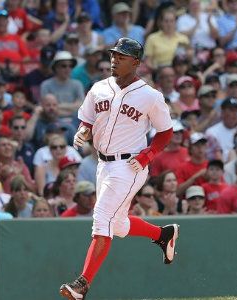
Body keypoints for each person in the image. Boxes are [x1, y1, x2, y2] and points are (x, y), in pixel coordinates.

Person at [59, 38, 179, 300]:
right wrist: (83, 131)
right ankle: (163, 234)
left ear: (136, 62)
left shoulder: (150, 95)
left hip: (130, 165)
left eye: (122, 56)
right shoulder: (99, 88)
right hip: (103, 163)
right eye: (114, 55)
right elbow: (87, 120)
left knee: (102, 220)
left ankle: (82, 284)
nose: (115, 59)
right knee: (119, 224)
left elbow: (166, 132)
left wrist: (148, 155)